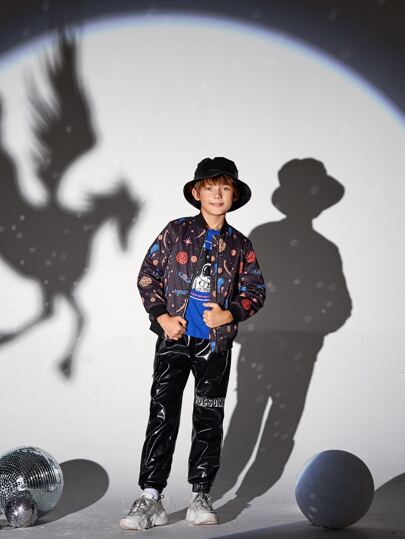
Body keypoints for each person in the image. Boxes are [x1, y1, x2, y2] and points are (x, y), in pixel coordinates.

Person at [119, 156, 266, 530]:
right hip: (174, 340)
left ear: (234, 195)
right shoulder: (176, 232)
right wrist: (161, 316)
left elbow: (255, 290)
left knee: (208, 417)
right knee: (162, 414)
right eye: (210, 187)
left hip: (214, 346)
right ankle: (151, 496)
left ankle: (201, 494)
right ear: (197, 193)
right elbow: (148, 275)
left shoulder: (240, 244)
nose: (217, 194)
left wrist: (230, 314)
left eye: (225, 187)